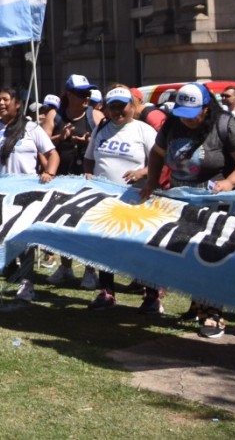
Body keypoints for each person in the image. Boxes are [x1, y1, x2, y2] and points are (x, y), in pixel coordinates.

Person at [143, 83, 235, 337]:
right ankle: (198, 305)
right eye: (182, 114)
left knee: (211, 257)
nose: (186, 120)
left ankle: (214, 314)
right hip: (183, 204)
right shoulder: (172, 124)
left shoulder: (225, 125)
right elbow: (157, 153)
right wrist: (152, 180)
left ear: (207, 109)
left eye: (192, 114)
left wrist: (230, 182)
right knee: (188, 256)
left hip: (217, 205)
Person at [0, 89, 58, 301]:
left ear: (17, 104)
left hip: (21, 196)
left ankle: (26, 284)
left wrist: (50, 173)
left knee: (22, 240)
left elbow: (52, 154)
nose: (1, 103)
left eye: (5, 99)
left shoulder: (31, 128)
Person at [82, 86, 160, 309]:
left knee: (140, 248)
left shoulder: (144, 131)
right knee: (104, 246)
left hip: (136, 201)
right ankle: (107, 292)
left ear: (132, 106)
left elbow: (159, 162)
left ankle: (152, 296)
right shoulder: (101, 129)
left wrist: (142, 173)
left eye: (122, 106)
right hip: (105, 201)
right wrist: (88, 173)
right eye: (113, 107)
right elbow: (89, 158)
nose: (117, 111)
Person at [46, 74, 103, 285]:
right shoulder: (55, 115)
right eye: (81, 94)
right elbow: (41, 142)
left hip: (87, 179)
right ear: (69, 95)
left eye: (88, 93)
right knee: (62, 224)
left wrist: (90, 142)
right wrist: (60, 138)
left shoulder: (95, 116)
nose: (87, 97)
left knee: (87, 226)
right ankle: (66, 267)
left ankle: (90, 270)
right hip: (61, 178)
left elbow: (104, 143)